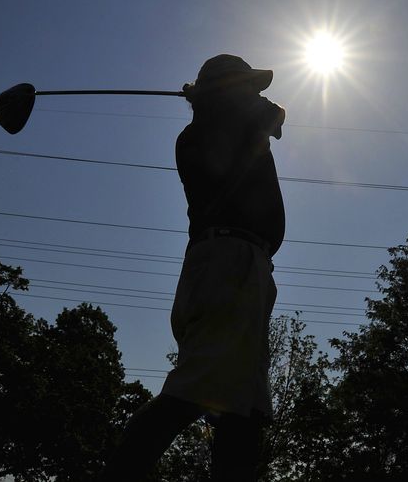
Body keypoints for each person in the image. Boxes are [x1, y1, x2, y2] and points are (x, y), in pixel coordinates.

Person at [104, 54, 286, 481]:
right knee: (194, 392)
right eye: (247, 87)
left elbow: (268, 116)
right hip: (229, 263)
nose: (256, 95)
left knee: (244, 409)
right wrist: (236, 105)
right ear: (227, 91)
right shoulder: (207, 132)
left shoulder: (217, 126)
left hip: (243, 265)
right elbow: (271, 115)